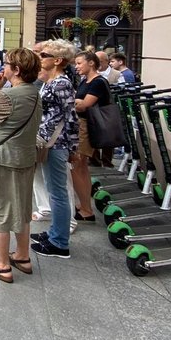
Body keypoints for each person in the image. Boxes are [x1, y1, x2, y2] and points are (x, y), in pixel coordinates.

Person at [0, 48, 43, 283]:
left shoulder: (9, 96)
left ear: (17, 70)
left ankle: (2, 265)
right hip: (24, 158)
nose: (3, 68)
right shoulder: (33, 92)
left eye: (6, 64)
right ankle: (22, 256)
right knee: (21, 208)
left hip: (2, 160)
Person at [30, 40, 80, 259]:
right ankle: (54, 233)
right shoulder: (49, 81)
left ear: (57, 60)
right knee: (53, 190)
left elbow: (71, 117)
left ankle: (59, 242)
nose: (40, 58)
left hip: (56, 144)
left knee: (58, 193)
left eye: (44, 55)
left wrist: (74, 148)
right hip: (48, 142)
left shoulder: (61, 83)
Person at [72, 50, 109, 218]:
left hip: (86, 126)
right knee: (81, 167)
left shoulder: (98, 82)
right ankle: (84, 204)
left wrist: (76, 101)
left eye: (79, 63)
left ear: (91, 63)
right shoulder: (85, 80)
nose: (76, 66)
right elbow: (79, 102)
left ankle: (86, 209)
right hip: (82, 125)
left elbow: (83, 105)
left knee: (77, 166)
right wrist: (77, 101)